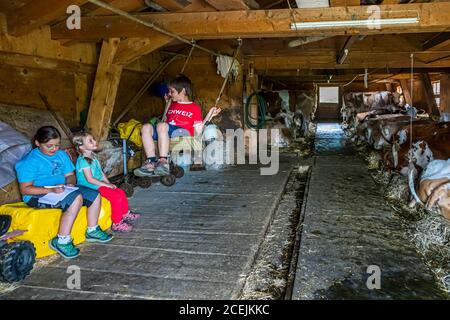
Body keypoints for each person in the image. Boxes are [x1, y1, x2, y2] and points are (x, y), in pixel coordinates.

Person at [15, 126, 113, 259]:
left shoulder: (60, 154)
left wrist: (70, 182)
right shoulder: (29, 161)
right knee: (76, 198)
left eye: (57, 145)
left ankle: (92, 230)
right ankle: (62, 240)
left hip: (61, 189)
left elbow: (70, 175)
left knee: (94, 195)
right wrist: (50, 189)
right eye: (49, 146)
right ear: (37, 143)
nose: (54, 149)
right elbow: (25, 189)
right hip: (37, 194)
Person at [134, 74, 222, 177]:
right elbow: (165, 119)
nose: (170, 94)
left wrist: (209, 115)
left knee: (162, 126)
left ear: (183, 91)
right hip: (165, 132)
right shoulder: (172, 103)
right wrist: (167, 103)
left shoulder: (194, 108)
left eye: (172, 91)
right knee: (145, 127)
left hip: (181, 133)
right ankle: (151, 162)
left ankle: (163, 161)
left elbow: (199, 129)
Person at [72, 132, 140, 232]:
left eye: (93, 139)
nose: (95, 141)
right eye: (90, 141)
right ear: (81, 147)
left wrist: (109, 183)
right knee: (115, 197)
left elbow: (101, 173)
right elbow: (89, 179)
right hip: (90, 186)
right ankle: (117, 223)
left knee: (120, 192)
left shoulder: (93, 157)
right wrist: (106, 185)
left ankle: (125, 213)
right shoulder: (83, 161)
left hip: (97, 184)